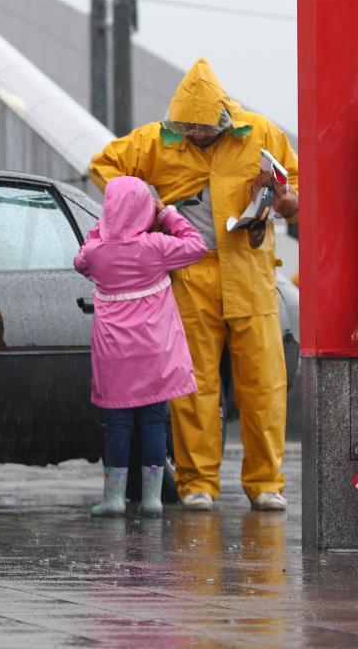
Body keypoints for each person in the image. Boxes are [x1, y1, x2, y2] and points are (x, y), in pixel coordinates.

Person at [89, 58, 299, 511]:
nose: (196, 135)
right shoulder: (155, 141)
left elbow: (296, 186)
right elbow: (103, 166)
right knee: (193, 383)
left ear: (224, 118)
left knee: (263, 381)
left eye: (203, 129)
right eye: (189, 129)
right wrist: (150, 204)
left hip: (249, 269)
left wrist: (283, 198)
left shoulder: (261, 133)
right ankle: (196, 482)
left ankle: (266, 483)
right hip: (190, 272)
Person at [74, 176, 206, 516]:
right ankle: (152, 500)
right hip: (154, 352)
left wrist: (103, 226)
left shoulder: (97, 253)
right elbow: (196, 245)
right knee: (153, 422)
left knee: (117, 424)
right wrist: (168, 215)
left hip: (114, 353)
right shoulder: (156, 247)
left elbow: (80, 260)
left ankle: (115, 499)